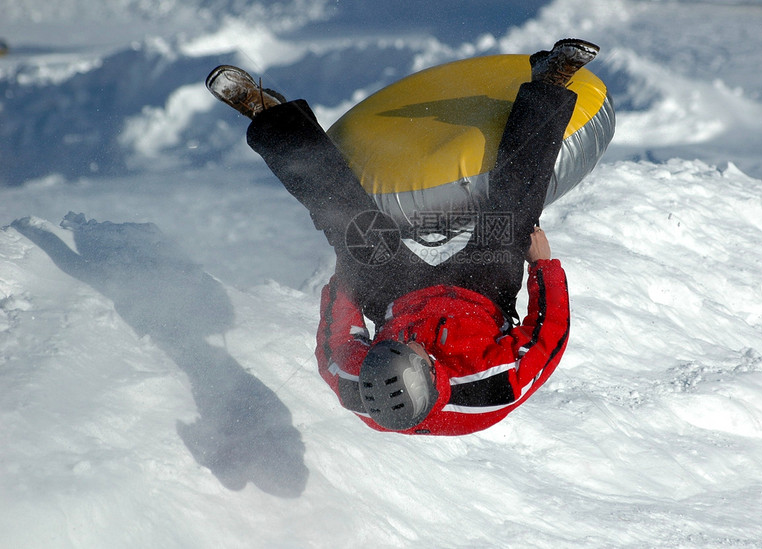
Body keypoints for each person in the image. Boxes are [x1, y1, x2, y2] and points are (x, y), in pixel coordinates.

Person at [206, 38, 600, 435]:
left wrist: (346, 280)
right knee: (512, 213)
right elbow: (548, 337)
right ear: (431, 369)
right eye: (411, 349)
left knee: (350, 225)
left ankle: (270, 116)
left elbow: (334, 346)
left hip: (396, 296)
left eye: (385, 346)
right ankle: (550, 83)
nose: (415, 344)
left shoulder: (358, 385)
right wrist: (543, 266)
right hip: (479, 294)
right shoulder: (492, 387)